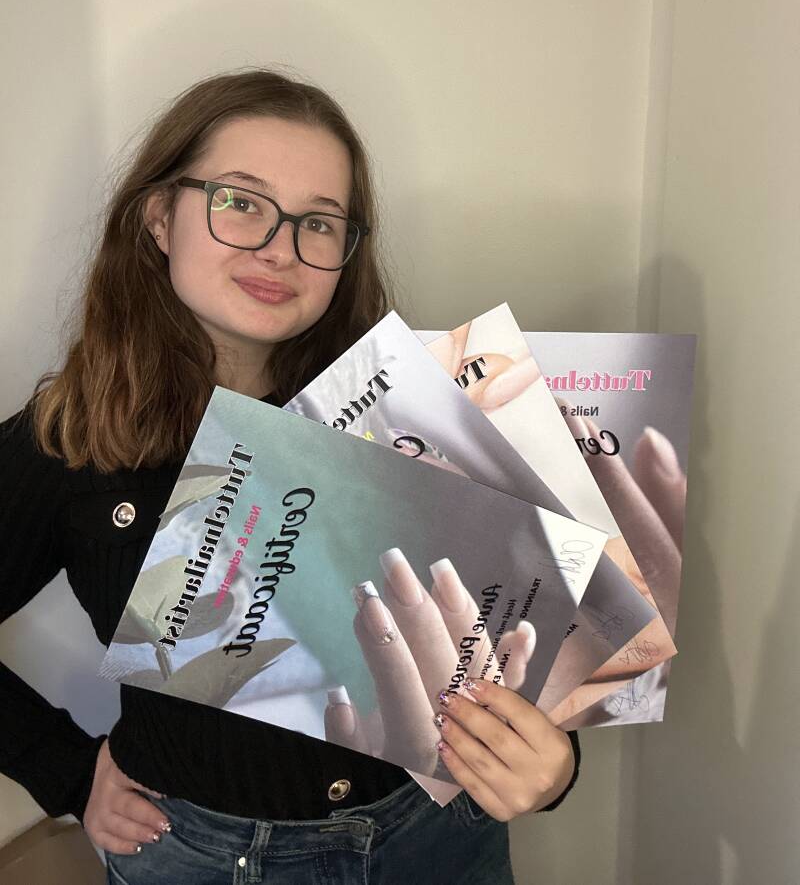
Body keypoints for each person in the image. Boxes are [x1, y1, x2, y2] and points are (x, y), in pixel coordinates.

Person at [0, 70, 579, 885]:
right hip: (202, 856)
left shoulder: (412, 409)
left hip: (438, 836)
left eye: (319, 222)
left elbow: (515, 622)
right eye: (240, 202)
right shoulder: (74, 433)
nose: (280, 248)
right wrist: (63, 770)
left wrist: (554, 765)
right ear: (159, 217)